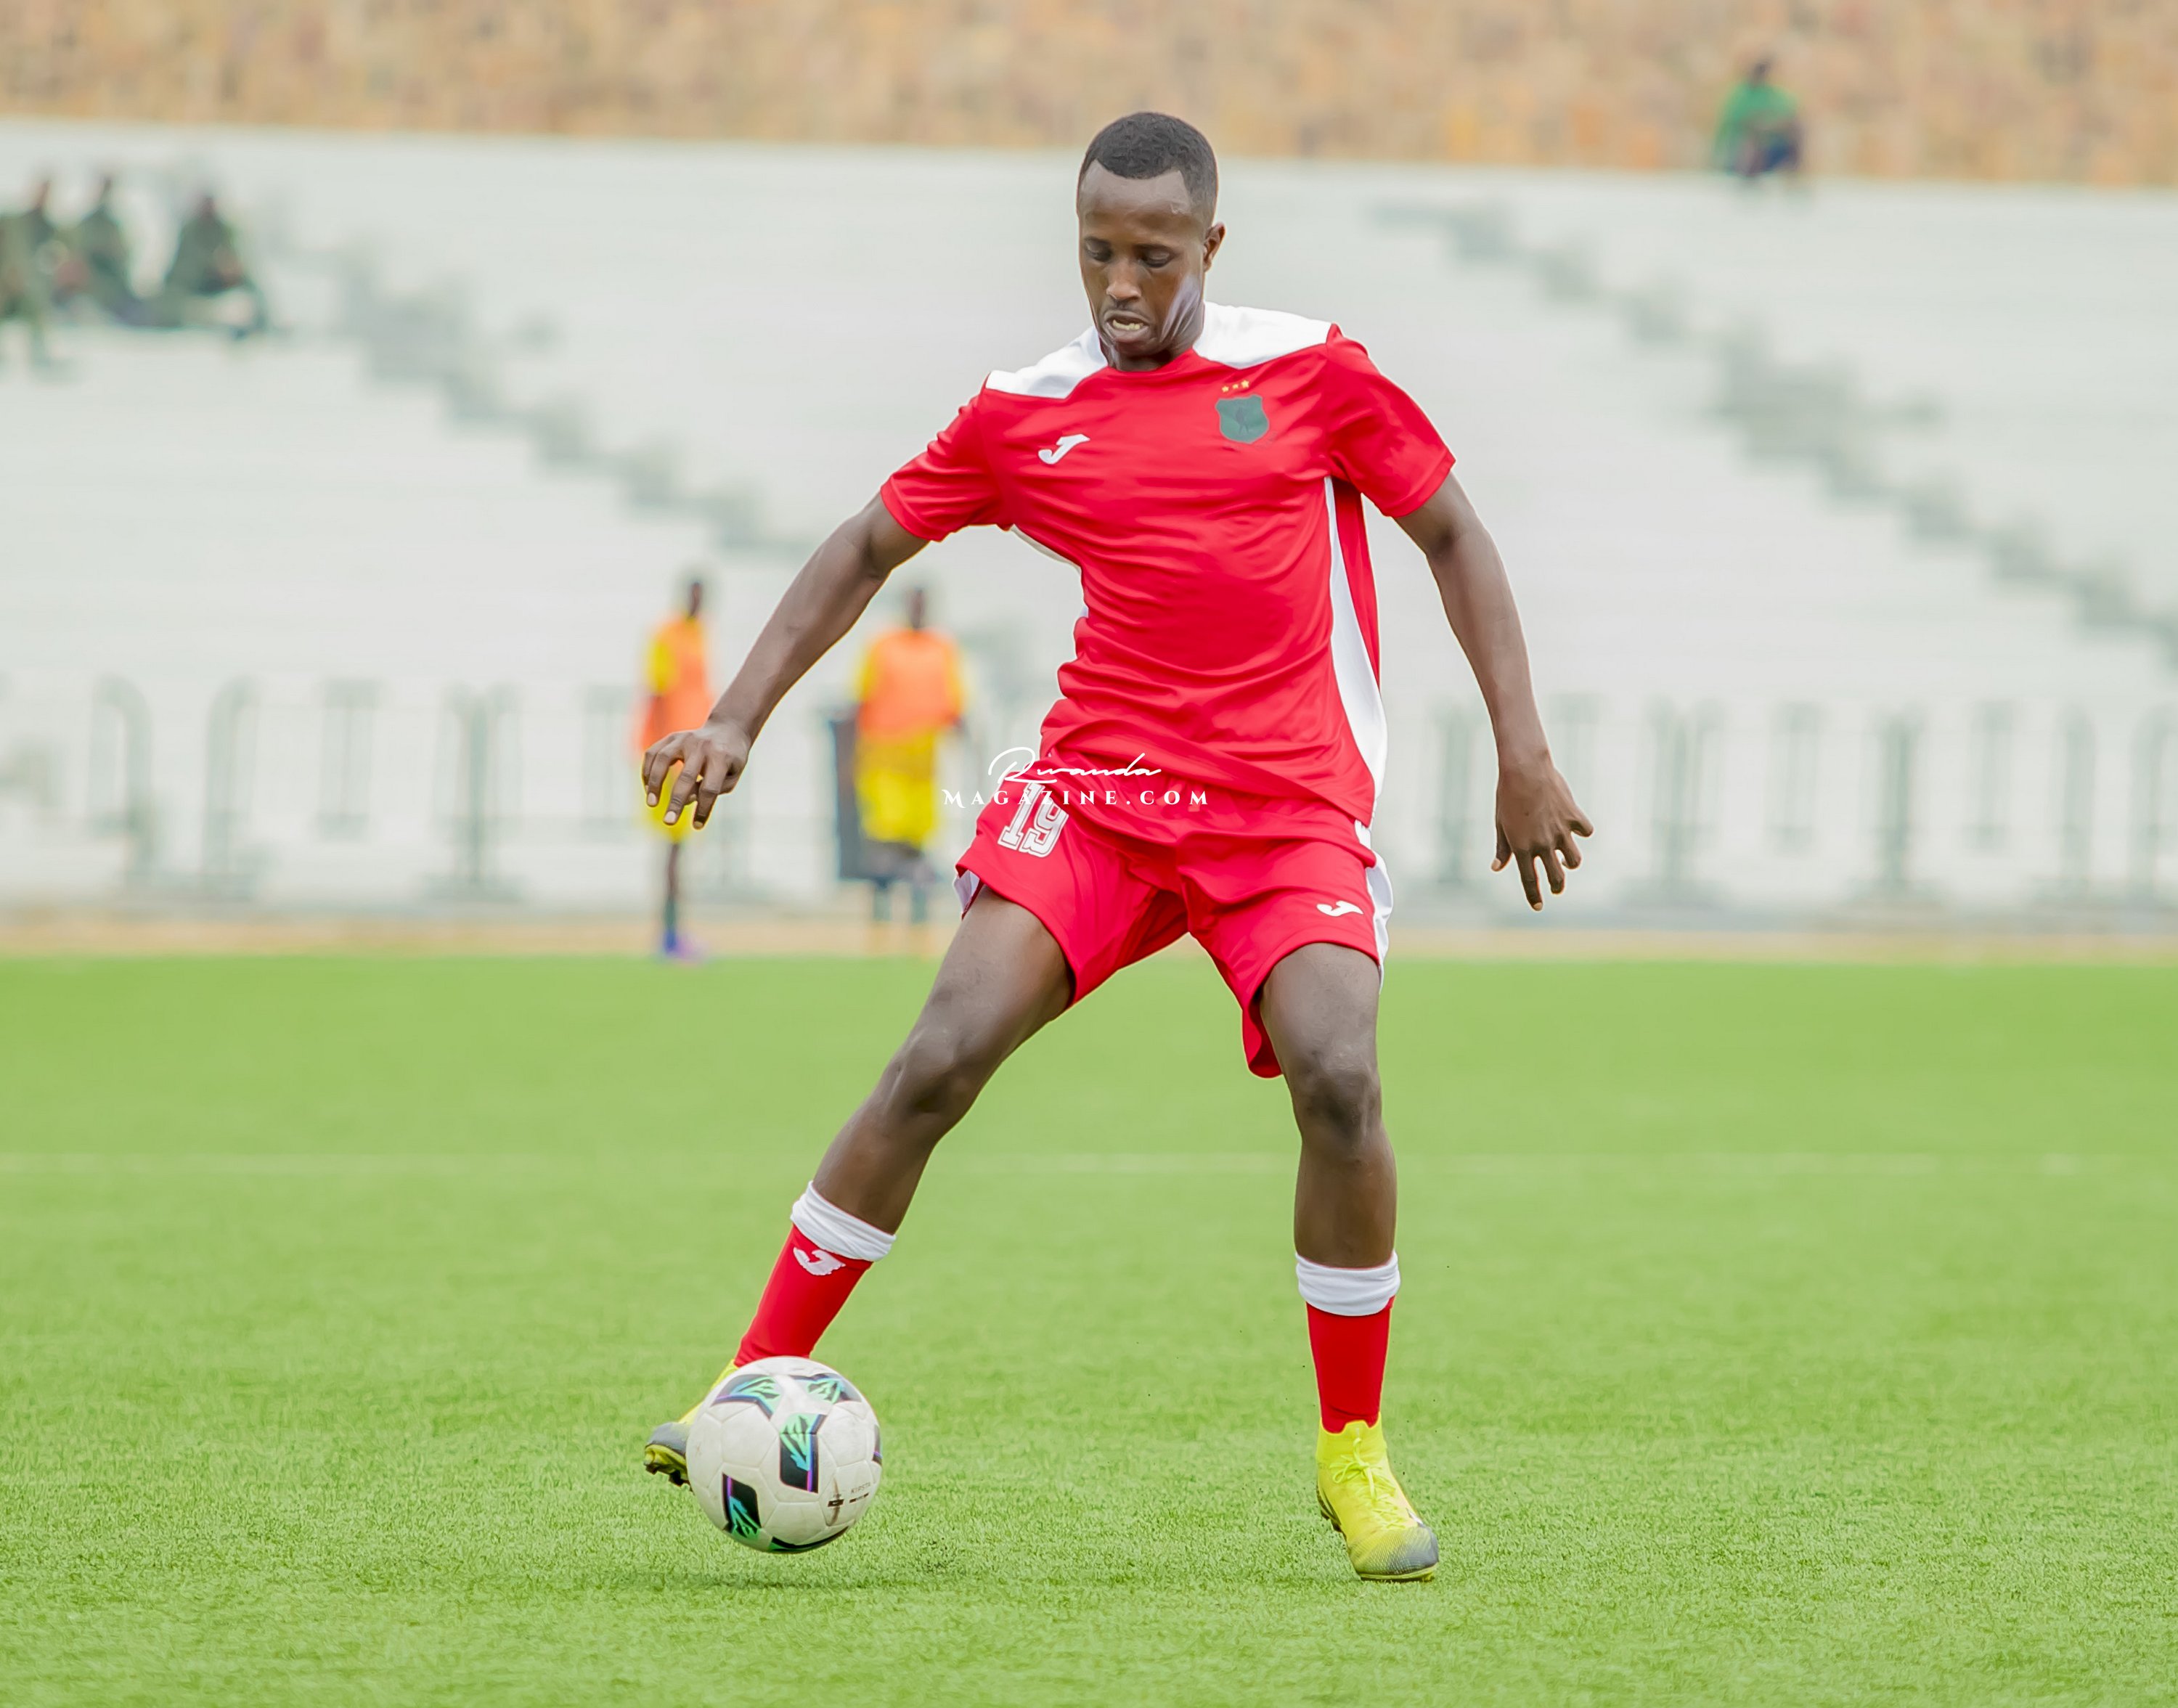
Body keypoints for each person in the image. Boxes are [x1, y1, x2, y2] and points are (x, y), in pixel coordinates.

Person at [638, 113, 1590, 1582]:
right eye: (1097, 253)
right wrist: (737, 719)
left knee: (1341, 1078)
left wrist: (1524, 750)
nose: (1123, 284)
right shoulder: (1027, 411)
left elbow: (1453, 534)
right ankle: (742, 1385)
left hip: (1284, 811)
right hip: (1100, 798)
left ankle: (1353, 1451)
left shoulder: (1312, 373)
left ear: (1213, 244)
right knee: (938, 1055)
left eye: (1154, 254)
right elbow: (865, 546)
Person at [852, 586, 964, 926]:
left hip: (923, 766)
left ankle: (918, 918)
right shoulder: (883, 646)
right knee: (884, 838)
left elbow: (956, 704)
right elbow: (859, 701)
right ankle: (879, 916)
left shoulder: (941, 649)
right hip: (884, 760)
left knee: (918, 842)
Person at [637, 576, 711, 960]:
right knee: (672, 845)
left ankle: (673, 932)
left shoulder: (699, 635)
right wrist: (663, 756)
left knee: (680, 847)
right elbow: (658, 692)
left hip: (691, 755)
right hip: (670, 756)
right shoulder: (668, 636)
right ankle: (668, 935)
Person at [156, 192, 269, 335]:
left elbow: (232, 253)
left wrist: (229, 267)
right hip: (193, 280)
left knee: (251, 288)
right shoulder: (190, 231)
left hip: (217, 279)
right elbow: (188, 263)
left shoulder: (224, 230)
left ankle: (263, 322)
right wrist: (213, 264)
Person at [1713, 58, 1804, 181]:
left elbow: (1789, 118)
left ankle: (1793, 176)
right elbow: (1738, 125)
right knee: (1753, 133)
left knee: (1796, 128)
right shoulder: (1741, 96)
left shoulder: (1773, 95)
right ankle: (1748, 176)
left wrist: (1770, 126)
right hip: (1741, 156)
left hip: (1769, 149)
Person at [67, 175, 142, 322]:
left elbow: (123, 254)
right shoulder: (86, 224)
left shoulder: (112, 226)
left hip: (111, 280)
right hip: (92, 280)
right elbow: (77, 251)